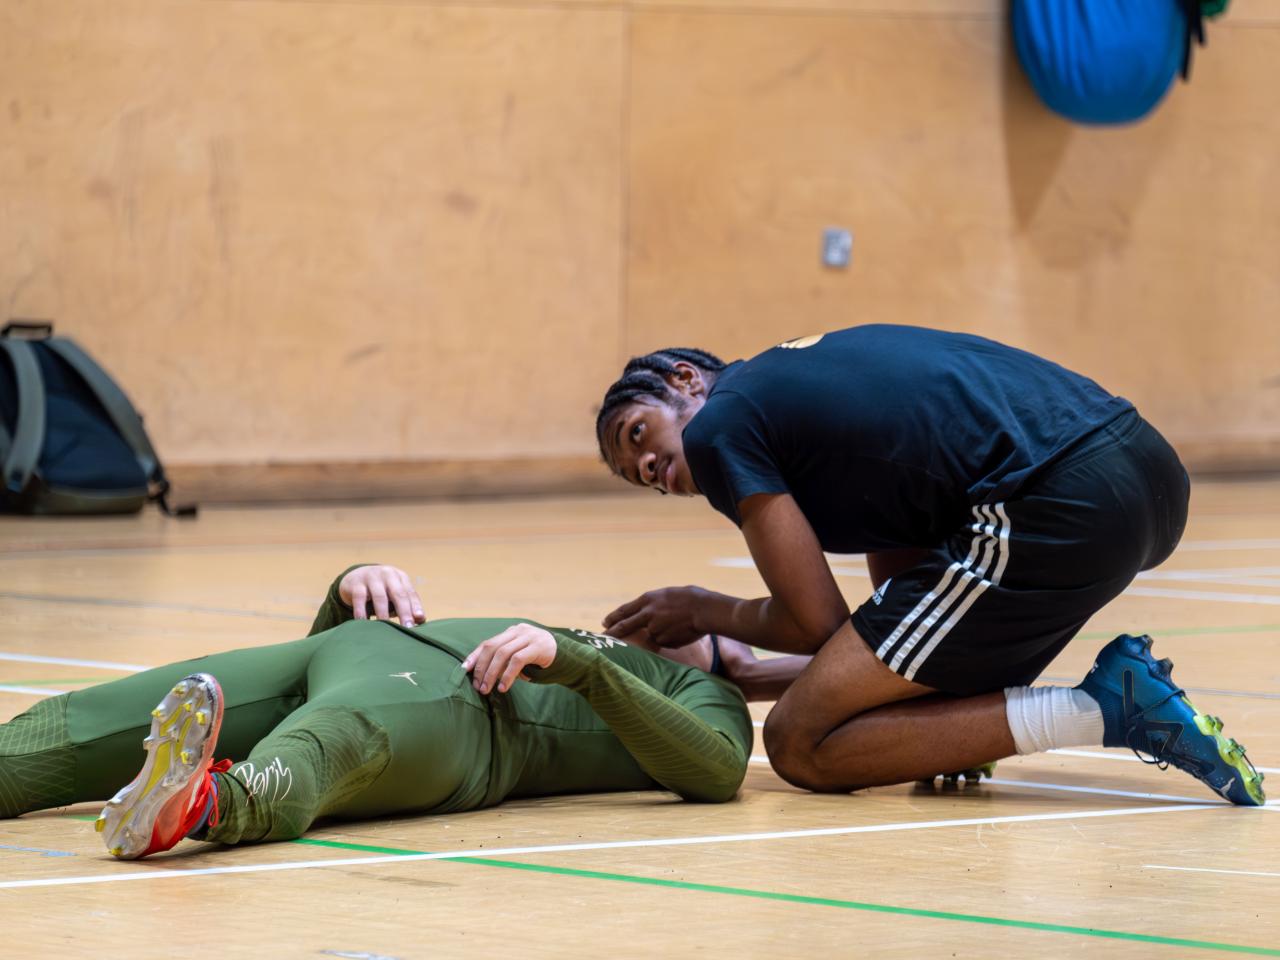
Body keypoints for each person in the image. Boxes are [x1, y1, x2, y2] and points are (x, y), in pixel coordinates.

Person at [594, 324, 1265, 806]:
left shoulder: (721, 429)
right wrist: (742, 672)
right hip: (1142, 475)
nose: (652, 470)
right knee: (915, 689)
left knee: (798, 744)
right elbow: (881, 645)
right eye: (640, 478)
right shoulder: (797, 395)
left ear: (684, 380)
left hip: (1053, 495)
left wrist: (702, 610)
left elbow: (813, 621)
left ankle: (1101, 709)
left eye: (639, 437)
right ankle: (1027, 720)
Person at [0, 564, 752, 859]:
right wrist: (352, 588)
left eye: (705, 610)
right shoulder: (605, 646)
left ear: (738, 648)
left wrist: (579, 662)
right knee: (103, 716)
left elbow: (718, 772)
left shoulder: (709, 694)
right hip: (366, 648)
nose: (668, 612)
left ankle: (201, 805)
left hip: (470, 717)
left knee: (341, 740)